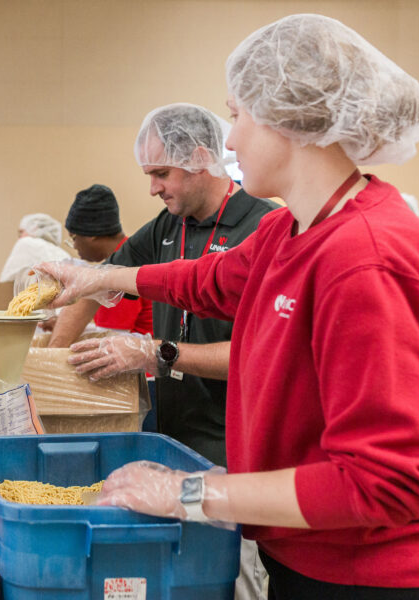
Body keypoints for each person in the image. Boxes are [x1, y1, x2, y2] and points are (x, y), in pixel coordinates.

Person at [38, 14, 419, 598]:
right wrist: (98, 277)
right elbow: (207, 279)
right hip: (305, 553)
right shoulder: (290, 228)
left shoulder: (366, 260)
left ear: (290, 119)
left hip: (368, 574)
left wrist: (191, 494)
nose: (229, 142)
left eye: (237, 116)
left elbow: (389, 481)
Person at [50, 103, 278, 469]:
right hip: (172, 428)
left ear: (200, 159)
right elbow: (96, 283)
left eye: (161, 173)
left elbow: (260, 355)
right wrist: (52, 361)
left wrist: (156, 353)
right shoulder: (168, 225)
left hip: (232, 438)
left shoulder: (262, 225)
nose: (153, 189)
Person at [64, 183, 152, 335]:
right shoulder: (134, 253)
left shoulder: (118, 270)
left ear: (91, 234)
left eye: (74, 238)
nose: (75, 246)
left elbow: (112, 336)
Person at [0, 213, 70, 283]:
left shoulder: (26, 242)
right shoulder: (61, 252)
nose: (19, 237)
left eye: (21, 232)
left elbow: (6, 280)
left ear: (35, 228)